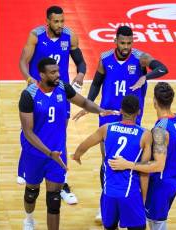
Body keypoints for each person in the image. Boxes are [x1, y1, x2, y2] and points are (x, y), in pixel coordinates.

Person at [72, 25, 169, 221]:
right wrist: (89, 106)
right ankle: (105, 205)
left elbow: (162, 68)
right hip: (108, 114)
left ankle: (133, 201)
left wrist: (145, 76)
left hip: (132, 116)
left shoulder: (140, 58)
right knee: (107, 161)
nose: (126, 47)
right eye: (122, 43)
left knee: (134, 162)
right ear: (115, 41)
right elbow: (97, 83)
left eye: (129, 43)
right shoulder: (105, 58)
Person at [18, 58, 117, 230]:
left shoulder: (63, 88)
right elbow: (28, 132)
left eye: (58, 71)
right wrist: (49, 153)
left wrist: (101, 110)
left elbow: (84, 102)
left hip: (57, 153)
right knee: (31, 192)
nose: (58, 75)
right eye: (53, 72)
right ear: (42, 75)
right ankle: (29, 219)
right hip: (34, 153)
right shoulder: (29, 95)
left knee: (54, 199)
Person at [18, 5, 87, 204]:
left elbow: (80, 61)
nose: (60, 25)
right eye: (56, 21)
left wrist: (81, 75)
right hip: (39, 91)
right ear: (47, 21)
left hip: (60, 94)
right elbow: (23, 60)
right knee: (31, 131)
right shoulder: (35, 36)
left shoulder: (70, 36)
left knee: (60, 135)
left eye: (62, 21)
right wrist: (29, 79)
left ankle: (62, 181)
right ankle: (27, 166)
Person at [109, 82, 176, 230]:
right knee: (160, 220)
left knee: (156, 224)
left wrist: (128, 164)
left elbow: (159, 165)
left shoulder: (159, 130)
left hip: (161, 184)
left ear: (154, 102)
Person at [72, 95, 152, 230]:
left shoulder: (106, 128)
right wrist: (143, 198)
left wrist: (77, 155)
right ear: (139, 111)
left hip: (109, 193)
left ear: (121, 110)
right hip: (130, 195)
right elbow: (144, 172)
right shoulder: (145, 135)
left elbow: (85, 144)